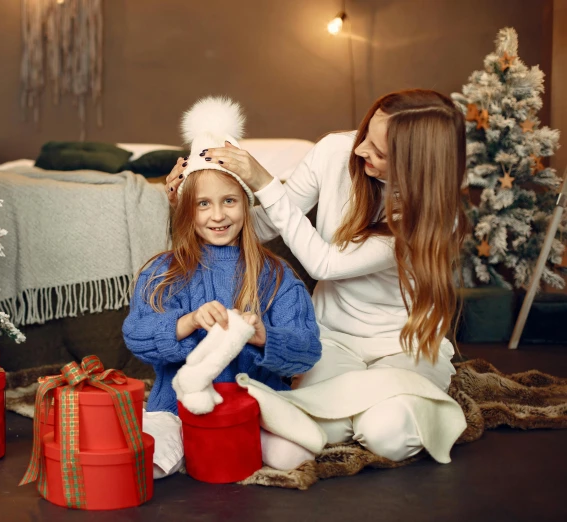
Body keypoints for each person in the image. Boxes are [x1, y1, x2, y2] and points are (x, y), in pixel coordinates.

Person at [165, 89, 468, 463]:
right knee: (323, 427)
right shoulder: (334, 152)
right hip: (333, 339)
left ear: (415, 165)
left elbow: (325, 264)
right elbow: (261, 226)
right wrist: (188, 206)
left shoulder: (433, 216)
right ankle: (378, 399)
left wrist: (263, 181)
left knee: (388, 436)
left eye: (379, 152)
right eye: (364, 137)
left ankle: (363, 401)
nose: (359, 152)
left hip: (402, 345)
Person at [123, 97, 322, 476]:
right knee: (146, 459)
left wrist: (264, 336)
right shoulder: (163, 272)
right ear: (186, 211)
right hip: (177, 408)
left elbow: (308, 350)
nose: (217, 215)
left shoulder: (276, 275)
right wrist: (190, 321)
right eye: (203, 205)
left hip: (257, 406)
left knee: (296, 456)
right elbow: (137, 334)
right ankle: (190, 447)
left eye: (229, 201)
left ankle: (231, 446)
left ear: (246, 207)